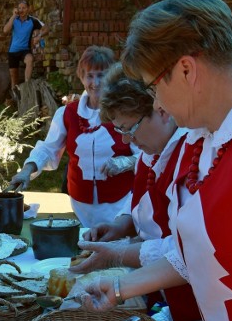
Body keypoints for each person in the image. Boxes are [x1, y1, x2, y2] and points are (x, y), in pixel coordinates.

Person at [77, 0, 232, 321]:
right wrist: (118, 288)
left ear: (185, 69)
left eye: (153, 87)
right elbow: (192, 254)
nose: (157, 103)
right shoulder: (204, 140)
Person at [70, 62, 204, 321]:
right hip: (169, 298)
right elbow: (141, 201)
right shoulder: (151, 150)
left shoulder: (190, 156)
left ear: (162, 109)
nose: (127, 140)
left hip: (199, 305)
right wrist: (121, 224)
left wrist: (118, 254)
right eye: (120, 130)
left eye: (129, 127)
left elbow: (185, 248)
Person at [9, 46, 139, 227]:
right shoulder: (67, 113)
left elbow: (147, 155)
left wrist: (124, 163)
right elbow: (49, 148)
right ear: (81, 77)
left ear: (111, 78)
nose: (95, 82)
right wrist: (26, 171)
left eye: (101, 75)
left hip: (120, 206)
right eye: (90, 76)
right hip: (79, 207)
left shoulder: (124, 112)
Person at [3, 0, 49, 98]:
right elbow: (5, 30)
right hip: (12, 51)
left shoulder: (32, 20)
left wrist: (39, 36)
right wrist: (13, 16)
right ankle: (15, 99)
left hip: (25, 50)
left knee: (30, 59)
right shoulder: (14, 19)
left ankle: (27, 86)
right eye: (19, 8)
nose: (21, 10)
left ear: (28, 9)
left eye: (23, 8)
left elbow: (46, 28)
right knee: (14, 77)